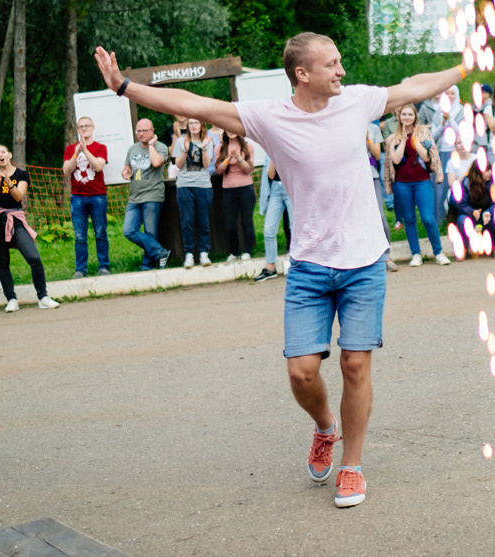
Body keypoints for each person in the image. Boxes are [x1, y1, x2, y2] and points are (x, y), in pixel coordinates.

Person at [95, 32, 472, 509]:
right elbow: (190, 101)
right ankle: (324, 428)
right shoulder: (270, 118)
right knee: (301, 373)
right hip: (311, 264)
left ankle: (352, 467)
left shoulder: (357, 102)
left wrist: (462, 69)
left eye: (340, 62)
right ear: (303, 73)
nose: (341, 71)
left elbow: (413, 87)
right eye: (332, 64)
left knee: (355, 365)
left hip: (364, 261)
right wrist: (124, 86)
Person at [0, 143, 59, 312]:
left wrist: (9, 182)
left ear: (10, 155)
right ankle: (11, 299)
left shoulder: (21, 174)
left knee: (34, 258)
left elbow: (18, 196)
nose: (1, 155)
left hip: (15, 219)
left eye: (3, 152)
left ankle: (43, 297)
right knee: (2, 263)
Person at [385, 104, 451, 267]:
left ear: (415, 117)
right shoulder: (393, 138)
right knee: (409, 219)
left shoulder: (423, 134)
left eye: (410, 115)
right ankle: (416, 254)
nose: (407, 118)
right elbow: (396, 160)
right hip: (402, 184)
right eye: (404, 115)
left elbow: (427, 158)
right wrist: (403, 141)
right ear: (399, 117)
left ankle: (439, 252)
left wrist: (415, 140)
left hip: (422, 181)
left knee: (428, 218)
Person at [63, 116, 110, 277]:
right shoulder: (70, 149)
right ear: (77, 129)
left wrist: (85, 150)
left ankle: (104, 266)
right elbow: (66, 170)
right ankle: (80, 269)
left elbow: (98, 166)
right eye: (81, 126)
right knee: (80, 235)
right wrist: (76, 154)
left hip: (97, 196)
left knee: (100, 232)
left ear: (93, 127)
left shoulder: (100, 147)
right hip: (77, 197)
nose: (84, 129)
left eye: (87, 126)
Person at [122, 118, 170, 271]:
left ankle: (147, 266)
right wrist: (125, 172)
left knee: (150, 232)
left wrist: (151, 145)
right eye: (138, 131)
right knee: (129, 231)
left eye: (144, 130)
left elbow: (156, 163)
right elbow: (127, 169)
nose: (141, 134)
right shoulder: (132, 149)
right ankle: (161, 252)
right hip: (134, 197)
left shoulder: (161, 147)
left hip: (153, 195)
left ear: (152, 131)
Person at [172, 118, 214, 269]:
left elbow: (206, 164)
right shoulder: (180, 141)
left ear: (202, 125)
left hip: (203, 185)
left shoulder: (208, 141)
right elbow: (178, 164)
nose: (194, 126)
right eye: (191, 123)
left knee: (203, 221)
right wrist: (185, 150)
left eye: (197, 123)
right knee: (187, 221)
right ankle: (189, 254)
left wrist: (203, 148)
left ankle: (204, 253)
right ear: (188, 126)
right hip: (184, 185)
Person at [363, 120, 398, 274]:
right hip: (350, 179)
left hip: (371, 176)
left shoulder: (373, 127)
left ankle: (386, 256)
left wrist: (367, 138)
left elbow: (377, 155)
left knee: (380, 216)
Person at [217, 129, 257, 261]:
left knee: (246, 222)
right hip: (228, 189)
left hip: (246, 188)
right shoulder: (220, 147)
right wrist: (228, 159)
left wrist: (239, 158)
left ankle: (247, 251)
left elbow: (248, 169)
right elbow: (219, 170)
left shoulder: (247, 146)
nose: (230, 131)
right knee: (230, 224)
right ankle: (234, 252)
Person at [430, 85, 465, 222]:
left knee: (457, 185)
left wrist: (450, 119)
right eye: (447, 93)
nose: (450, 96)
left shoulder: (461, 111)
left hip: (457, 153)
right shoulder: (438, 112)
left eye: (452, 93)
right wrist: (443, 124)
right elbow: (433, 136)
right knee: (439, 186)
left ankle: (458, 218)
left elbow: (463, 133)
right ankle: (438, 220)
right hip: (441, 152)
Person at [258, 156, 295, 281]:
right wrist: (274, 155)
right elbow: (270, 175)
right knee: (268, 230)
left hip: (291, 186)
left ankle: (299, 264)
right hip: (275, 188)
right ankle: (270, 267)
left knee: (294, 227)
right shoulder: (270, 151)